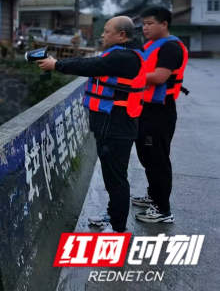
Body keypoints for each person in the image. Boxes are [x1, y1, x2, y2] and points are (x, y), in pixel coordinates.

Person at [37, 16, 146, 233]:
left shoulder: (124, 57)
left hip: (116, 128)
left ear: (121, 35)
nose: (102, 35)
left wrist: (56, 64)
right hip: (115, 126)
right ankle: (114, 215)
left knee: (115, 179)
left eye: (106, 31)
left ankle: (118, 229)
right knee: (114, 176)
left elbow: (90, 65)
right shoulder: (126, 54)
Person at [131, 7, 188, 224]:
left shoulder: (170, 48)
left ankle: (163, 210)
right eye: (144, 24)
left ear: (164, 24)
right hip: (146, 108)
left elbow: (159, 77)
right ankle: (153, 196)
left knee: (157, 159)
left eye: (150, 23)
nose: (145, 28)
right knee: (146, 156)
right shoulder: (150, 46)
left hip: (160, 111)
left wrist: (128, 74)